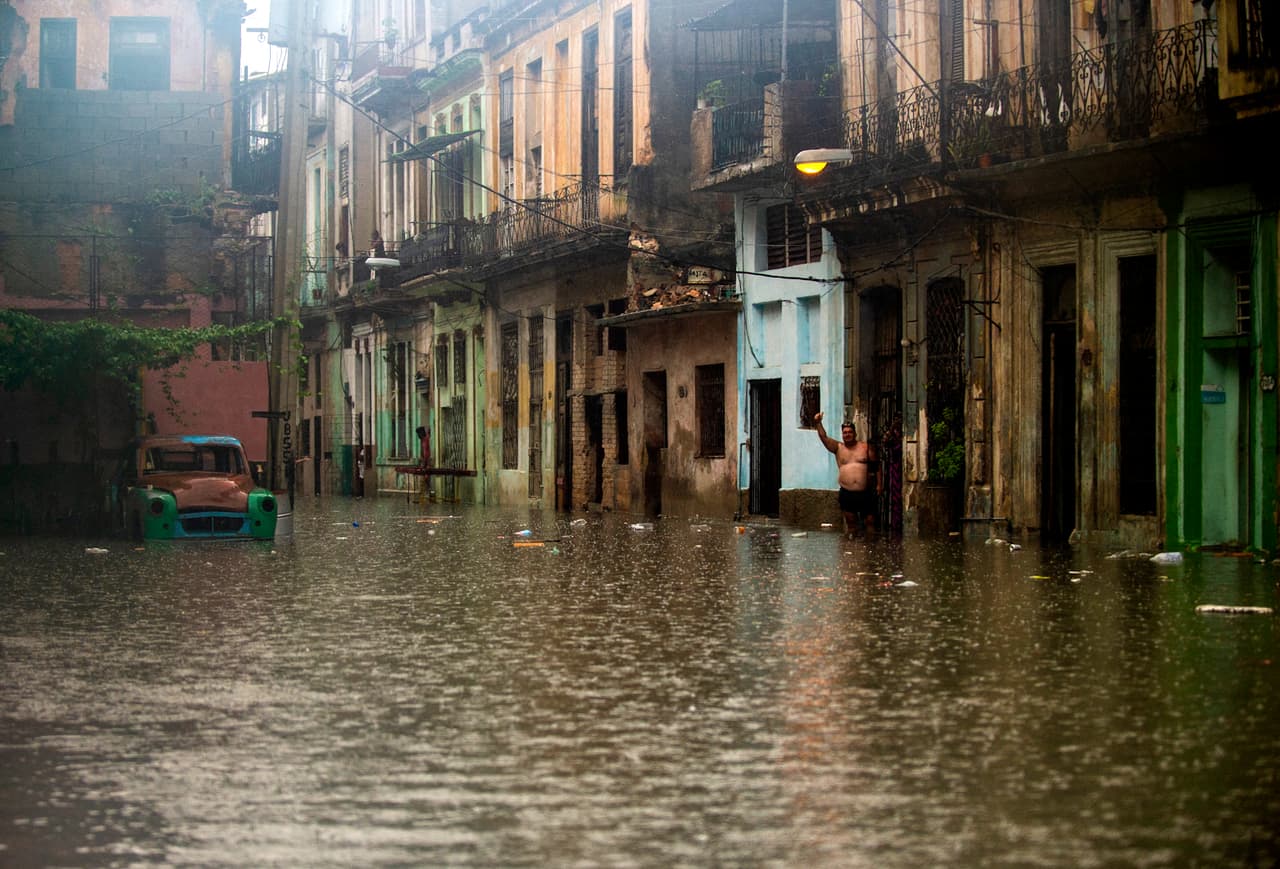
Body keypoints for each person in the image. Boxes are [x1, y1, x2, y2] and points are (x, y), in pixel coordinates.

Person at [814, 412, 878, 535]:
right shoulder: (838, 448)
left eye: (850, 432)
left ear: (855, 433)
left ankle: (871, 549)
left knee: (870, 522)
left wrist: (879, 485)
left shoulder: (865, 447)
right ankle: (851, 549)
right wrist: (818, 423)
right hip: (847, 492)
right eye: (845, 433)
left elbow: (876, 467)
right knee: (851, 523)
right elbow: (824, 438)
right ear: (842, 435)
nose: (847, 435)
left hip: (865, 492)